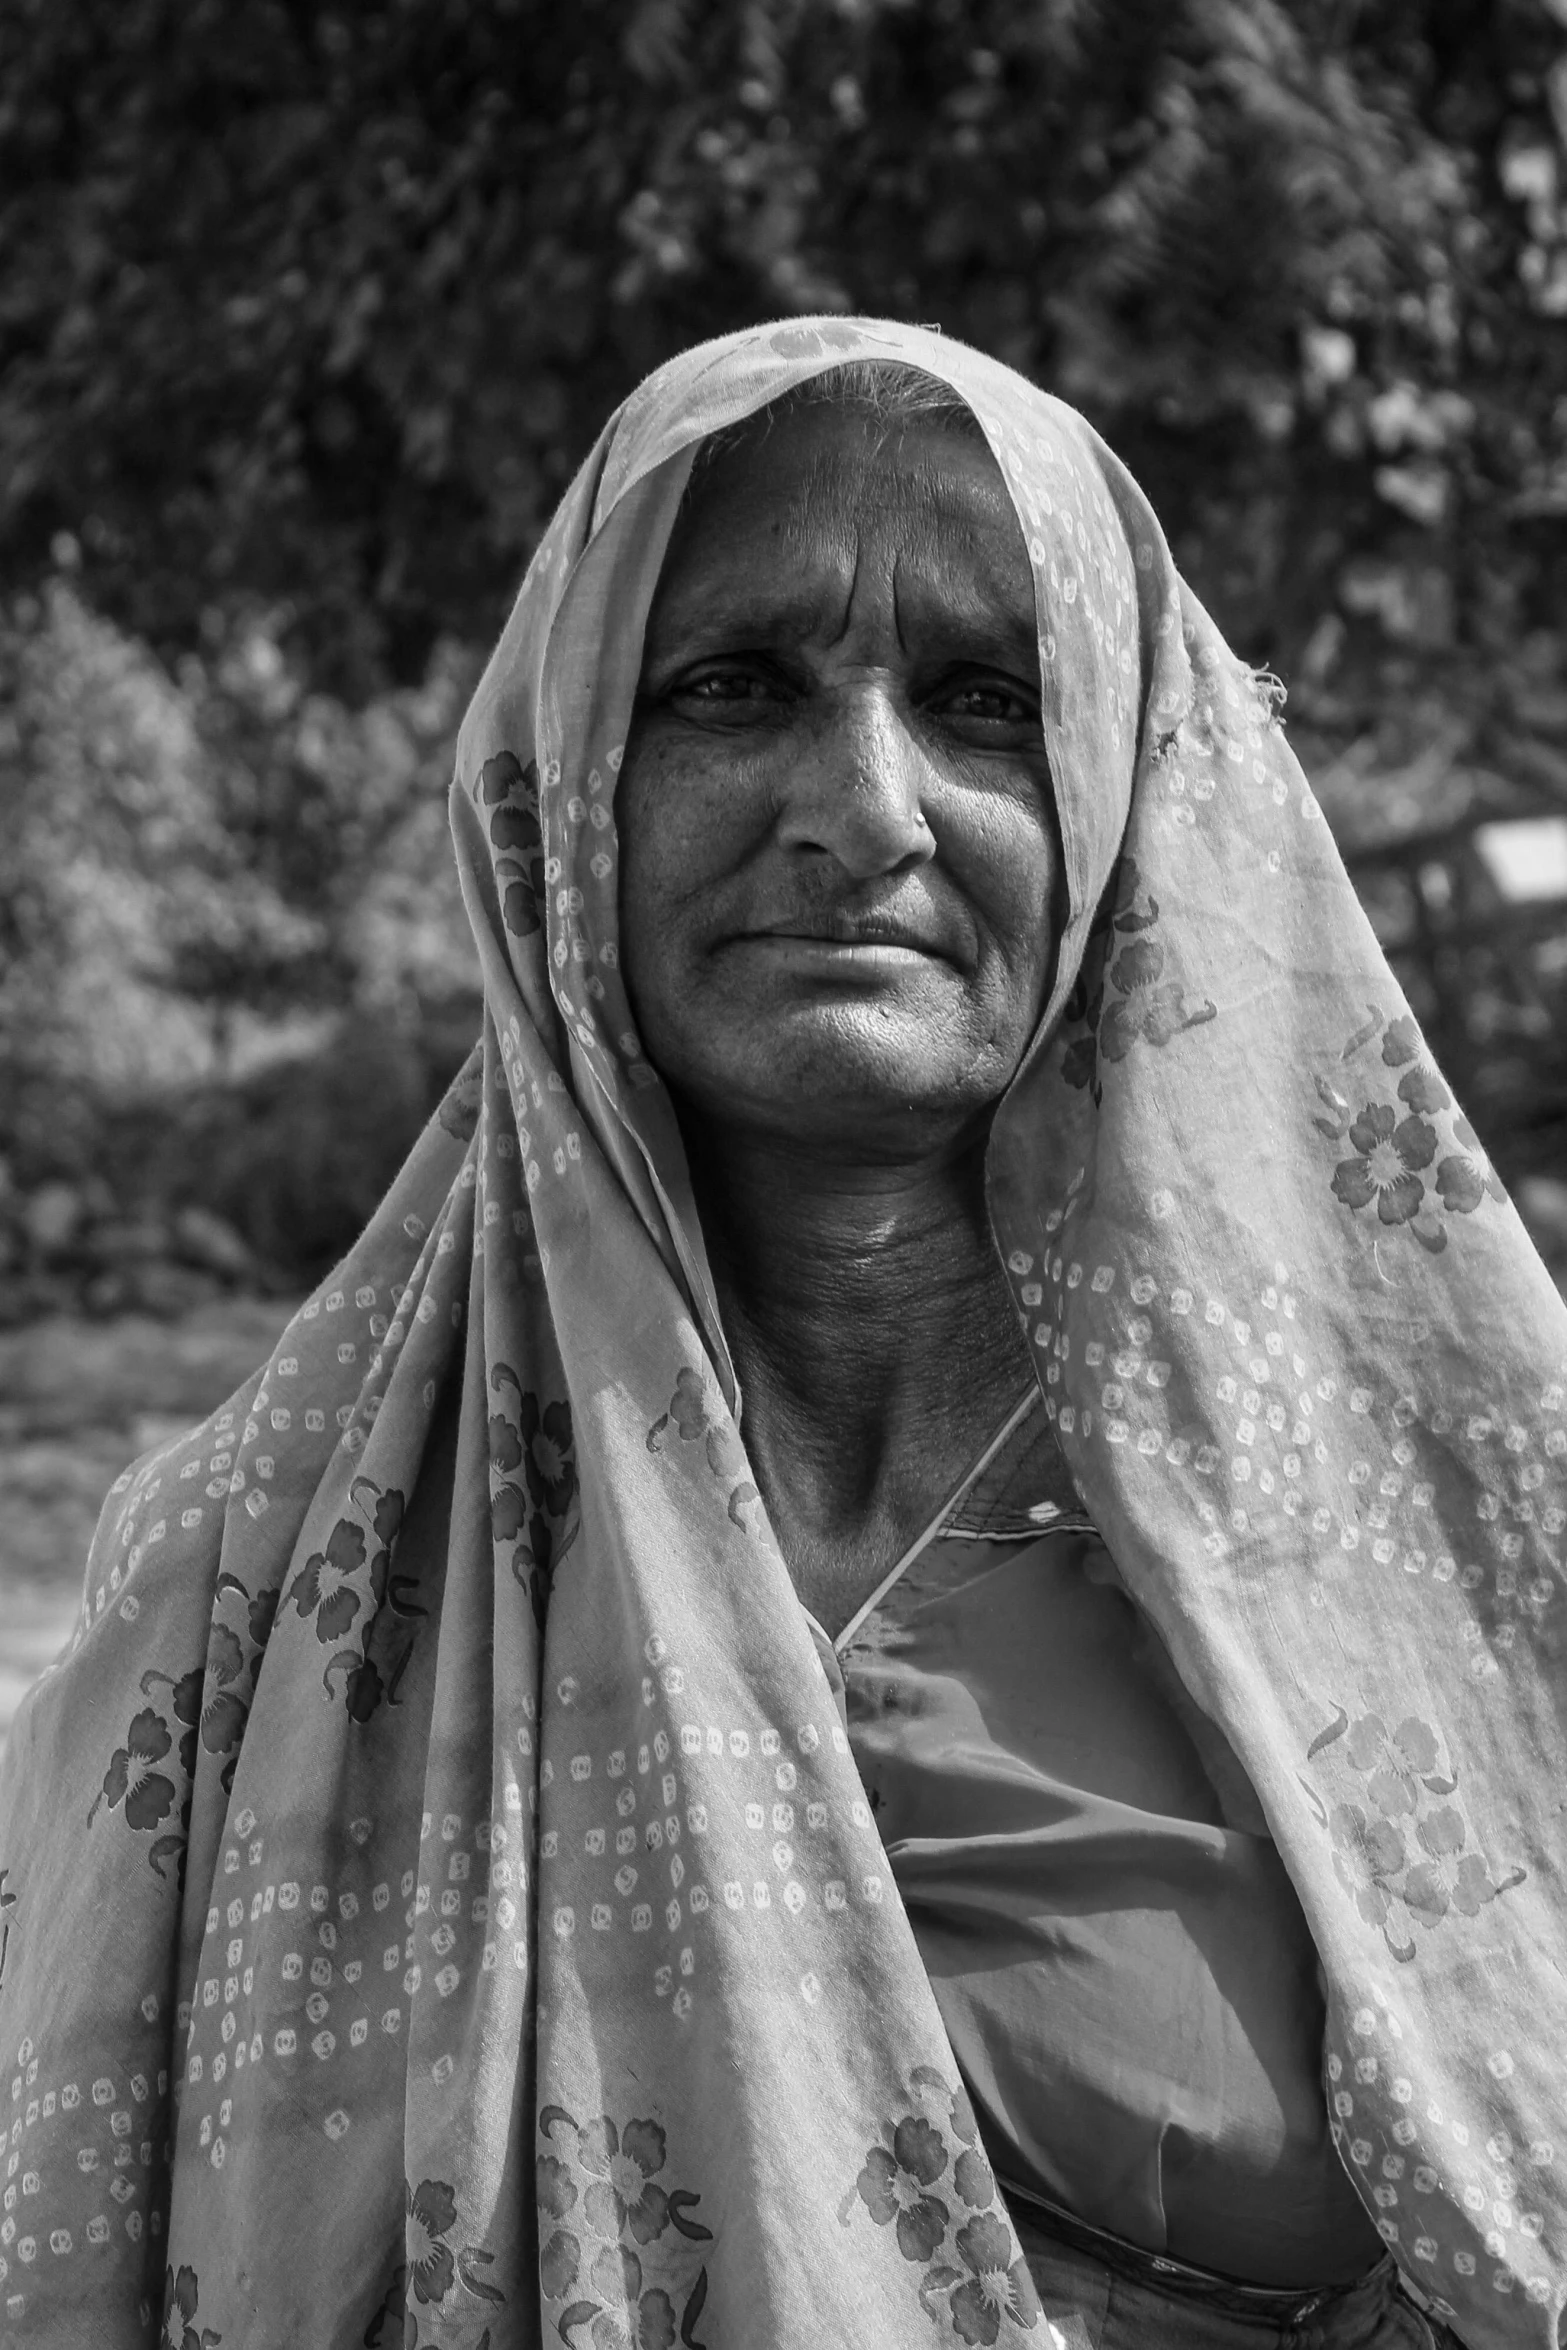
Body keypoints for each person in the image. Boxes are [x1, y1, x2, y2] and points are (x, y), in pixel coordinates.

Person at [0, 318, 1561, 2350]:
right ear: (567, 784)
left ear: (1124, 791)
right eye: (736, 684)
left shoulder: (1431, 1540)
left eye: (989, 699)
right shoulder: (257, 1573)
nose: (865, 807)